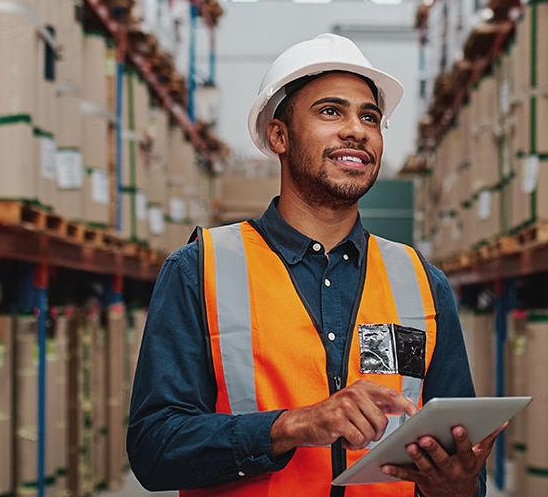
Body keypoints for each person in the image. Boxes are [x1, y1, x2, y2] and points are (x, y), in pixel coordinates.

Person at [126, 33, 498, 496]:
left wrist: (458, 484)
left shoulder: (422, 282)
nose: (357, 130)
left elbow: (461, 465)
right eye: (330, 111)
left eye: (370, 117)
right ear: (278, 136)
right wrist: (293, 426)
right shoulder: (200, 270)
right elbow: (154, 448)